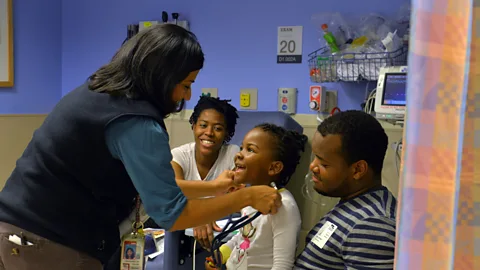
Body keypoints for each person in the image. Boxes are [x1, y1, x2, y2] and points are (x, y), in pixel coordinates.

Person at [0, 24, 281, 270]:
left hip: (14, 231)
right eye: (185, 84)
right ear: (162, 77)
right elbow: (173, 214)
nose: (188, 95)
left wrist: (215, 188)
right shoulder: (137, 123)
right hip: (48, 244)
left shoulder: (97, 92)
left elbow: (156, 186)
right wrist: (247, 198)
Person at [294, 110, 397, 270]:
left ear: (358, 170)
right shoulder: (353, 205)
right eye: (315, 157)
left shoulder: (370, 226)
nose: (312, 166)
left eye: (324, 164)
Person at [205, 123, 307, 270]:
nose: (239, 154)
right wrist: (220, 255)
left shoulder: (283, 206)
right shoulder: (249, 198)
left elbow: (282, 265)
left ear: (274, 168)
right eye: (242, 148)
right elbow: (242, 238)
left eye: (250, 150)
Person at [171, 95, 240, 250]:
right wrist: (199, 216)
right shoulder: (179, 156)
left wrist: (205, 214)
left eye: (218, 128)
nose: (209, 133)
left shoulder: (233, 155)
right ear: (193, 126)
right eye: (203, 125)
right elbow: (173, 192)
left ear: (227, 133)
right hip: (179, 237)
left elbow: (235, 200)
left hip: (221, 236)